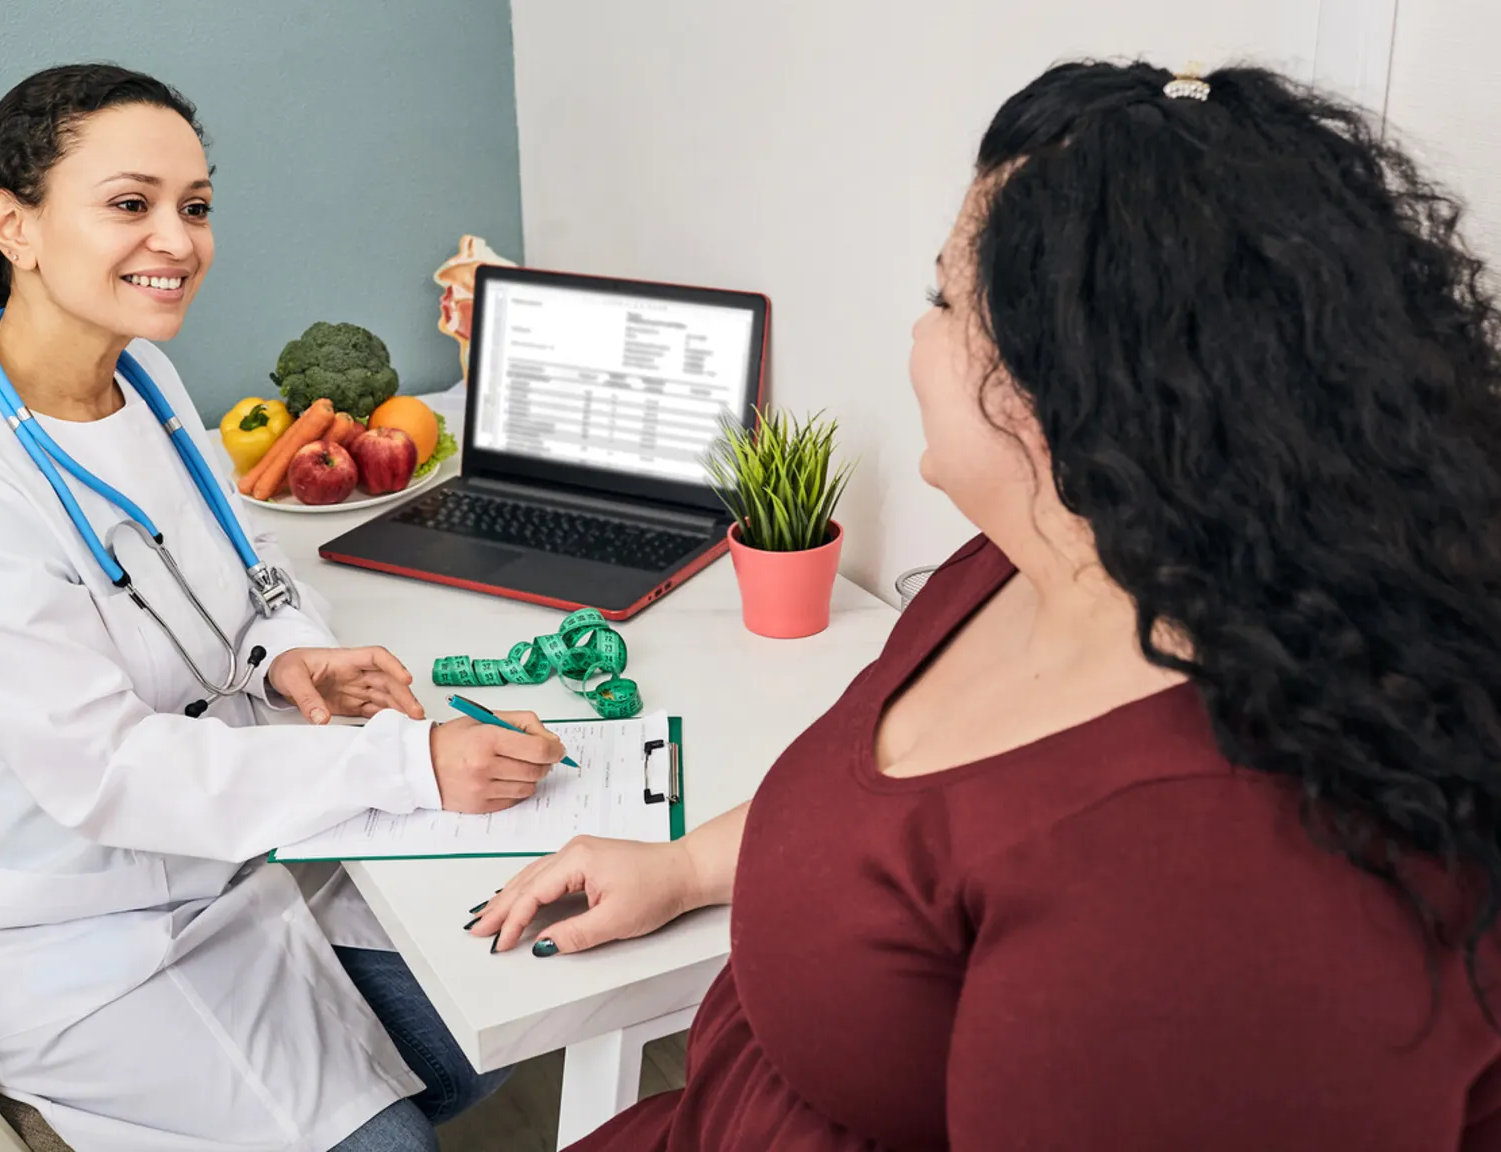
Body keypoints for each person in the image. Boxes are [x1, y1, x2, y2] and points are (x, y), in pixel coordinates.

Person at [469, 60, 1501, 1151]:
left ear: (1067, 384)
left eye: (944, 303)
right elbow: (892, 821)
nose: (918, 339)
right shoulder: (1029, 562)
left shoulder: (1199, 885)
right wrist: (682, 867)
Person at [0, 63, 568, 1152]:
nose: (178, 240)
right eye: (130, 203)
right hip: (75, 928)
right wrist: (407, 763)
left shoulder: (143, 374)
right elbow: (108, 771)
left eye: (194, 206)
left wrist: (286, 653)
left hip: (240, 858)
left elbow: (248, 566)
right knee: (393, 1140)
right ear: (15, 224)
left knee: (513, 986)